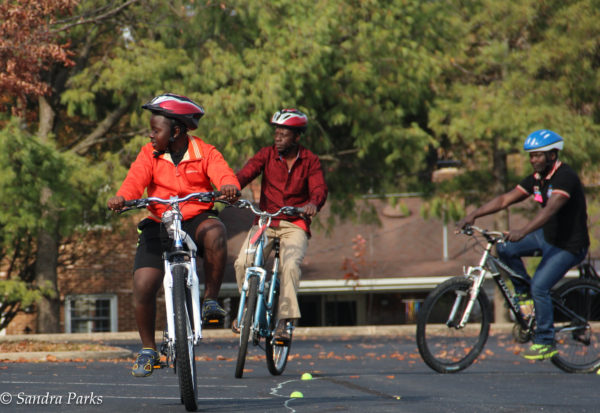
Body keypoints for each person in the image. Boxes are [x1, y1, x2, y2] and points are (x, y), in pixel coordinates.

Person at [107, 93, 240, 377]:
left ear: (176, 131)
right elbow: (135, 180)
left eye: (156, 130)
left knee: (216, 231)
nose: (151, 135)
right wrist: (122, 197)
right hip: (160, 221)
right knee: (144, 283)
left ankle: (211, 301)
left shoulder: (205, 152)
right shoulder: (149, 154)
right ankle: (147, 350)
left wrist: (228, 186)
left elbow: (224, 174)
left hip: (195, 217)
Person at [457, 129, 589, 360]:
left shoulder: (565, 177)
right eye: (531, 155)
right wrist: (474, 214)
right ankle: (523, 294)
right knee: (505, 248)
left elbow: (550, 210)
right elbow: (505, 199)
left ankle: (546, 341)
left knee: (540, 285)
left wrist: (523, 231)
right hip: (546, 238)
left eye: (538, 155)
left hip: (569, 246)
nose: (533, 160)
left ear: (553, 154)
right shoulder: (537, 179)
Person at [233, 109, 328, 343]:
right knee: (242, 262)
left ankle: (285, 323)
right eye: (276, 133)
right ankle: (248, 308)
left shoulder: (310, 160)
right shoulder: (265, 155)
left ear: (297, 137)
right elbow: (246, 174)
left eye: (284, 134)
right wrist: (231, 188)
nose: (278, 138)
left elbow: (319, 189)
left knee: (290, 266)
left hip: (294, 223)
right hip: (265, 222)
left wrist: (313, 204)